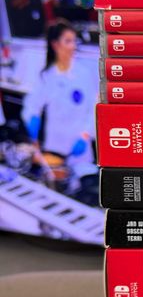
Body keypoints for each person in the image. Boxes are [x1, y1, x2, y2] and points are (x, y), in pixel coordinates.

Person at [22, 20, 97, 182]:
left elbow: (93, 110)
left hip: (80, 151)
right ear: (55, 45)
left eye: (74, 41)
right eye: (68, 41)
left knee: (82, 185)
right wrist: (32, 120)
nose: (73, 46)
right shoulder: (46, 76)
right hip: (55, 151)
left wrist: (85, 135)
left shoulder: (84, 74)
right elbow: (31, 105)